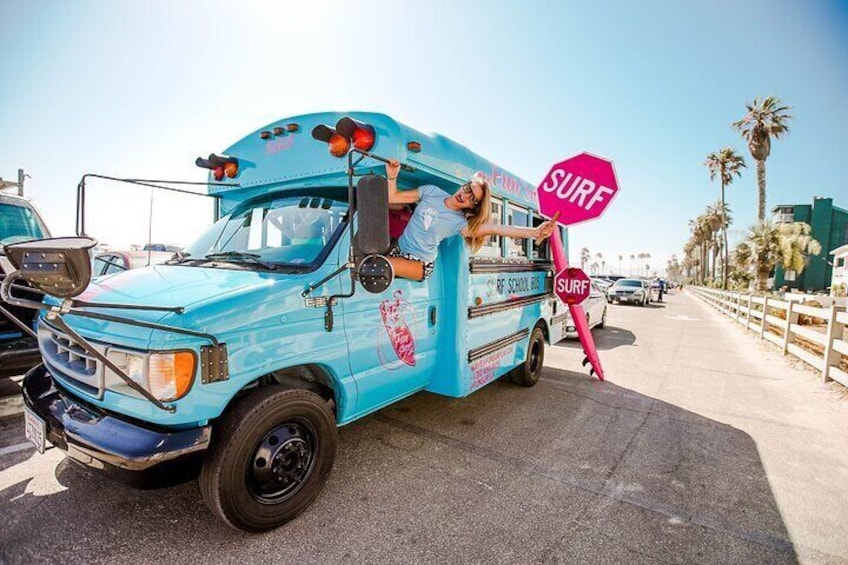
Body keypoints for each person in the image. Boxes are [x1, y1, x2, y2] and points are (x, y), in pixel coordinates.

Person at [384, 159, 558, 280]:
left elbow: (498, 229)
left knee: (378, 266)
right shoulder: (431, 192)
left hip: (419, 263)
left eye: (472, 199)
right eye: (468, 188)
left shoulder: (461, 224)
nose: (466, 196)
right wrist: (392, 176)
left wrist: (534, 232)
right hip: (398, 250)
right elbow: (393, 197)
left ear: (473, 207)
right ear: (464, 185)